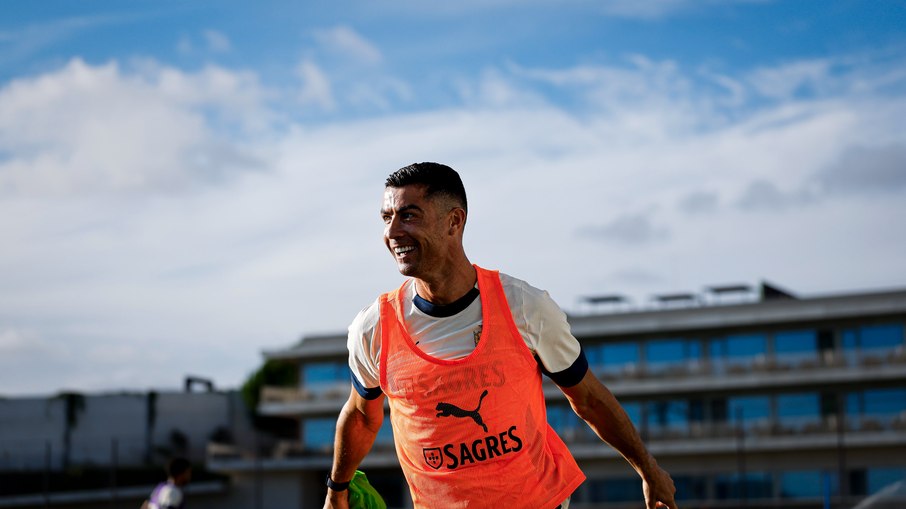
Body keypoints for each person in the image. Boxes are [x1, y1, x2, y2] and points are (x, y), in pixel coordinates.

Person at [323, 163, 678, 509]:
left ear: (454, 221)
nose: (393, 232)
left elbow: (588, 399)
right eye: (387, 218)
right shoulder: (374, 328)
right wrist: (336, 489)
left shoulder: (524, 306)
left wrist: (648, 469)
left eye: (409, 215)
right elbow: (361, 415)